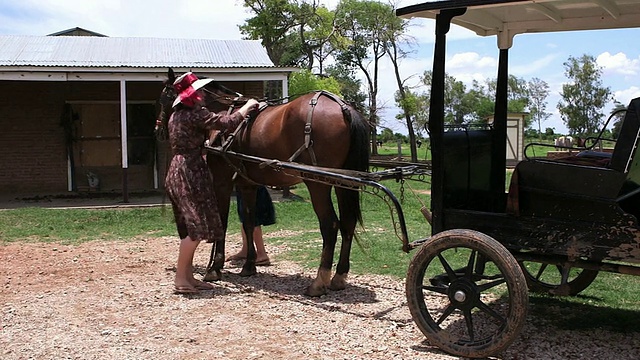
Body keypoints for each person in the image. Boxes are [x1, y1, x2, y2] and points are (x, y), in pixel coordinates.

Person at [164, 71, 258, 295]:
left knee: (189, 228)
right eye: (198, 92)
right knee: (195, 228)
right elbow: (228, 122)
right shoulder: (194, 113)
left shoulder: (176, 115)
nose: (202, 96)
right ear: (192, 95)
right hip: (190, 172)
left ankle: (188, 277)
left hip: (180, 169)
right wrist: (247, 106)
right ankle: (180, 279)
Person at [227, 186, 276, 266]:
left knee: (252, 218)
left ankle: (261, 253)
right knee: (244, 216)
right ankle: (245, 249)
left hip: (252, 186)